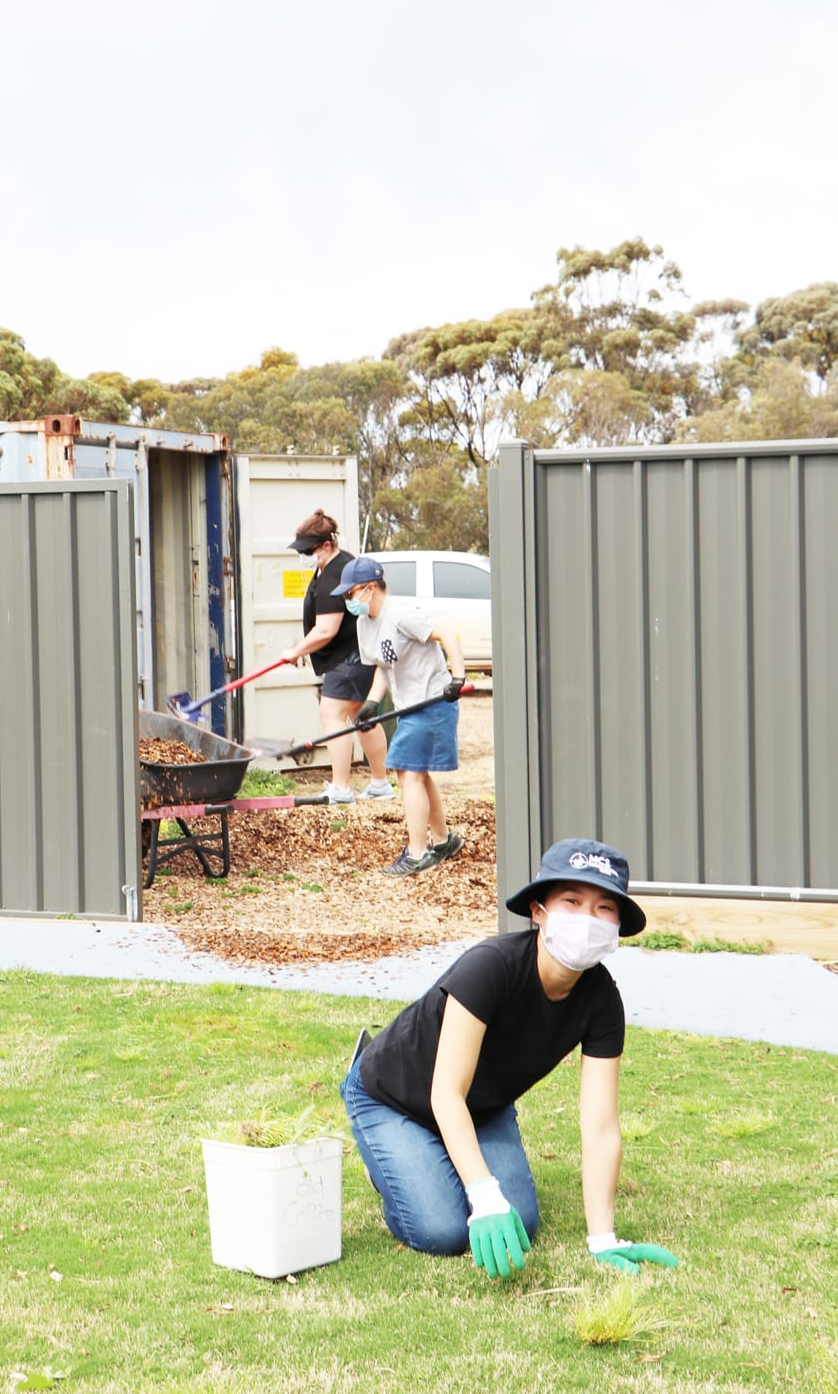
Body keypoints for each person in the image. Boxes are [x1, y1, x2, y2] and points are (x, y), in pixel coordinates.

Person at [340, 837, 680, 1280]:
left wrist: (602, 1238)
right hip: (394, 1096)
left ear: (617, 924)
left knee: (521, 1220)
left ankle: (437, 1156)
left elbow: (600, 1126)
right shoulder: (490, 967)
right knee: (442, 1230)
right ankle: (390, 1163)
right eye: (572, 901)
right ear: (538, 912)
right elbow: (445, 1094)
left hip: (481, 1108)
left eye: (603, 908)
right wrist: (482, 1193)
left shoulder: (601, 1000)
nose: (587, 919)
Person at [331, 555, 467, 875]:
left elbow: (446, 631)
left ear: (369, 588)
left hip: (433, 703)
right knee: (413, 774)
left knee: (408, 771)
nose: (349, 601)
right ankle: (444, 840)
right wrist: (371, 703)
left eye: (350, 594)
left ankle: (418, 853)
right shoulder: (365, 624)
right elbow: (384, 666)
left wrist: (457, 677)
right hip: (410, 706)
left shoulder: (402, 612)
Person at [280, 511, 394, 805]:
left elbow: (326, 629)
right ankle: (380, 783)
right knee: (362, 716)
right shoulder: (340, 564)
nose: (304, 556)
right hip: (359, 655)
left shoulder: (334, 574)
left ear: (326, 545)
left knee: (331, 714)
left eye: (308, 550)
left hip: (348, 659)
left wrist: (296, 651)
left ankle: (342, 788)